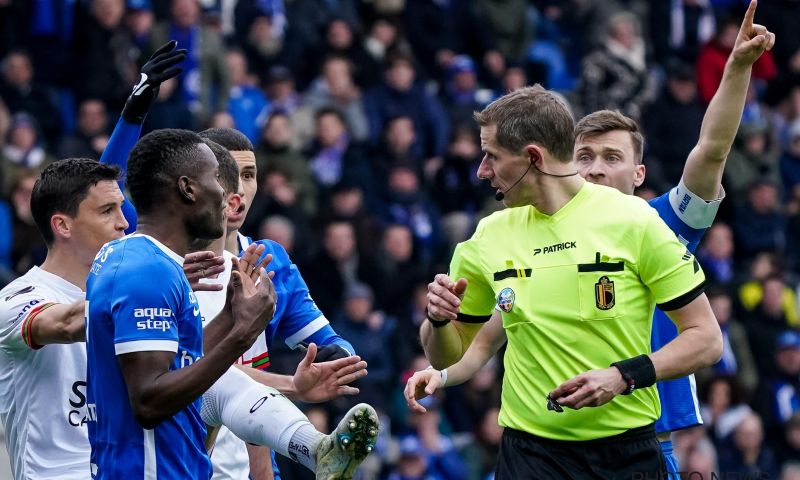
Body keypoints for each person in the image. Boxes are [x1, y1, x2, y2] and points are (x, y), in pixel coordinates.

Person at [420, 2, 775, 476]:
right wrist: (441, 349)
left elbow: (711, 149)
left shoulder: (660, 221)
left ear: (639, 172)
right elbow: (481, 340)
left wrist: (735, 70)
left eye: (612, 157)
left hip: (645, 436)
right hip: (538, 445)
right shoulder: (500, 234)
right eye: (585, 156)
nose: (596, 168)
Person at [405, 85, 722, 478]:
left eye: (492, 156)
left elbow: (706, 339)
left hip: (626, 455)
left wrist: (622, 377)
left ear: (533, 157)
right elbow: (447, 355)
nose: (481, 171)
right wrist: (437, 320)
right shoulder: (485, 238)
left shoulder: (636, 222)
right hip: (529, 455)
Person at [85, 129, 379, 479]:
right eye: (219, 178)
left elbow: (188, 362)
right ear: (188, 187)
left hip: (195, 462)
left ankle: (314, 449)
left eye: (248, 176)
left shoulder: (251, 263)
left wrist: (230, 319)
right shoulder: (147, 269)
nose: (232, 193)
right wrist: (245, 338)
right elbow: (150, 400)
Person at [196, 127, 358, 479]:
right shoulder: (163, 261)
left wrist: (336, 360)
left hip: (253, 457)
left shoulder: (269, 261)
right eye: (226, 176)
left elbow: (329, 343)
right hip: (184, 457)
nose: (238, 190)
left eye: (249, 176)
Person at [0, 159, 126, 479]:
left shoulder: (124, 296)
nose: (124, 223)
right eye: (107, 210)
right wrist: (146, 287)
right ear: (63, 225)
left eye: (121, 208)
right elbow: (66, 325)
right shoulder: (18, 299)